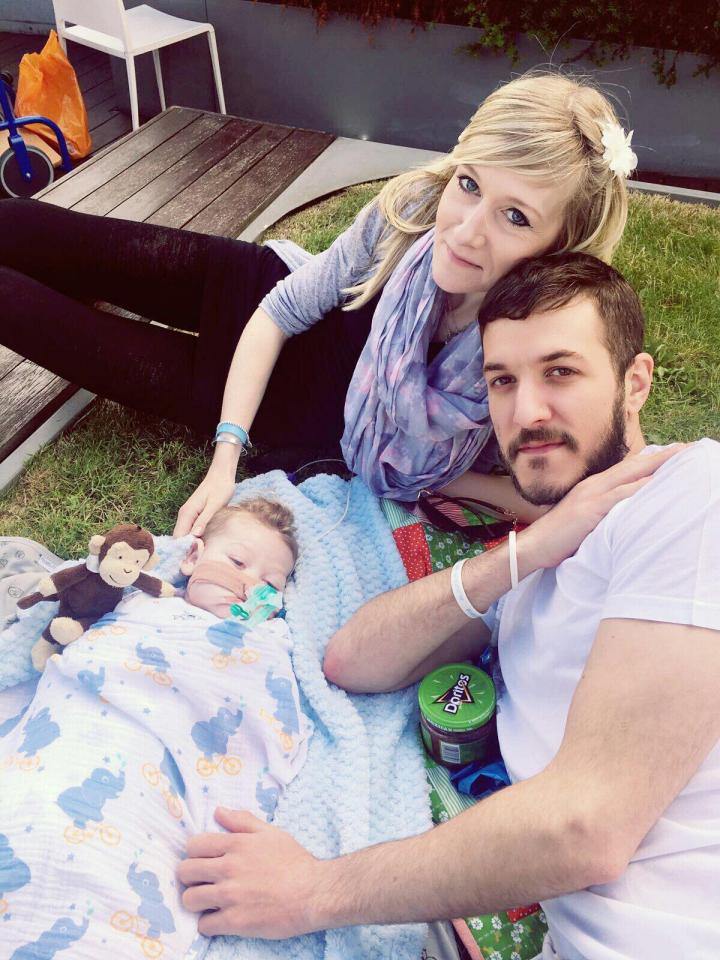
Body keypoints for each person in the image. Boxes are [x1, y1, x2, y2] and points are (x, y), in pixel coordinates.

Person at [176, 254, 719, 960]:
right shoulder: (541, 560)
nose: (527, 413)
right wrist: (526, 552)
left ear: (634, 381)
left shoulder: (690, 496)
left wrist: (311, 890)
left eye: (561, 372)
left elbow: (588, 828)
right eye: (503, 381)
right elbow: (353, 661)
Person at [0, 72, 636, 535]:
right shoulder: (412, 214)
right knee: (24, 228)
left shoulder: (539, 342)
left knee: (17, 308)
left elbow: (553, 490)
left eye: (516, 216)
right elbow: (280, 312)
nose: (466, 229)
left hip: (231, 395)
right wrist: (225, 459)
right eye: (469, 183)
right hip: (245, 295)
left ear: (562, 246)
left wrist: (420, 470)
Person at [0, 497, 311, 958]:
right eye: (237, 562)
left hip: (151, 801)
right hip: (67, 747)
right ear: (191, 557)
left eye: (271, 583)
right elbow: (79, 635)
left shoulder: (266, 648)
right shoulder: (137, 607)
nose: (249, 584)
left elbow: (268, 727)